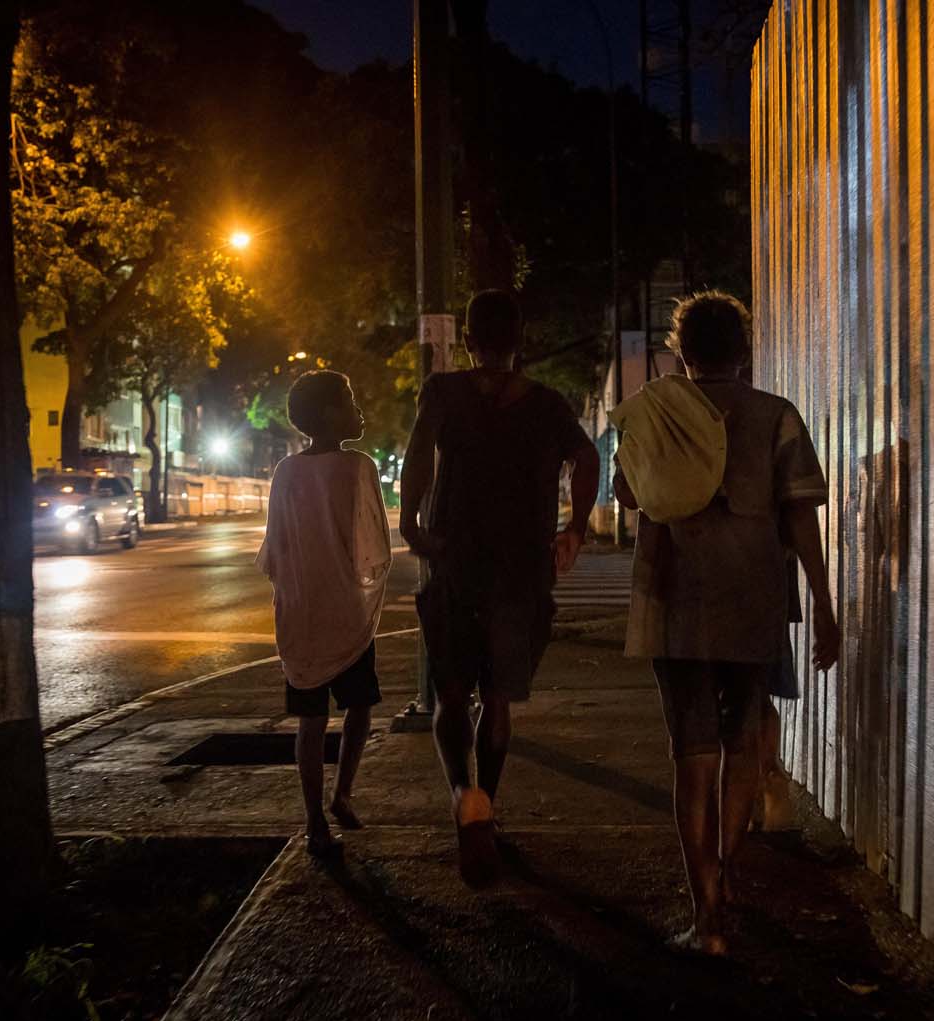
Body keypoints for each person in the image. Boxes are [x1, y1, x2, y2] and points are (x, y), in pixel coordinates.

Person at [614, 291, 838, 954]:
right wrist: (824, 605)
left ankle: (706, 915)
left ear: (681, 351)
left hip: (674, 595)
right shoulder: (776, 416)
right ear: (744, 351)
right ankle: (727, 872)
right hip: (755, 595)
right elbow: (802, 517)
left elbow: (628, 493)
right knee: (743, 742)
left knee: (692, 750)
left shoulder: (656, 410)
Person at [400, 289, 600, 886]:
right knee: (500, 699)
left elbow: (418, 457)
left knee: (450, 693)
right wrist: (576, 527)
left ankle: (463, 796)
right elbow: (586, 459)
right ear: (519, 342)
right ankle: (487, 794)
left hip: (455, 562)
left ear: (467, 340)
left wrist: (412, 521)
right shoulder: (546, 405)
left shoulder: (443, 393)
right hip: (521, 569)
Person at [256, 370, 391, 860]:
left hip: (301, 612)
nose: (358, 409)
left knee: (311, 721)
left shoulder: (286, 472)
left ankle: (317, 816)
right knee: (358, 709)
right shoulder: (359, 467)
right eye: (350, 399)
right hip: (346, 611)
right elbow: (371, 546)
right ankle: (340, 796)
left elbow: (276, 548)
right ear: (330, 414)